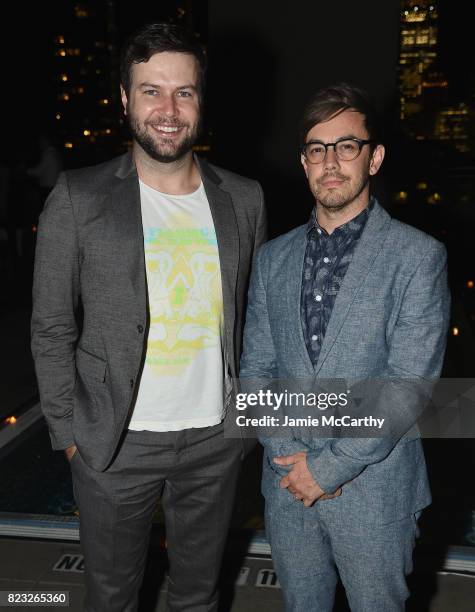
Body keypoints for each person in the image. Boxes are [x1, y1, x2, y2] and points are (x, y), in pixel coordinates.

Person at [31, 22, 267, 612]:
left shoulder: (244, 198)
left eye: (183, 92)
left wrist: (248, 424)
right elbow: (52, 328)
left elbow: (255, 321)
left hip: (216, 439)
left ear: (201, 101)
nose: (168, 109)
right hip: (114, 444)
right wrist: (69, 438)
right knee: (112, 597)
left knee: (197, 596)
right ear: (124, 99)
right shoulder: (76, 198)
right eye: (151, 91)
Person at [240, 83, 450, 611]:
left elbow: (407, 387)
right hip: (287, 486)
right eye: (317, 148)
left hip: (375, 491)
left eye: (346, 146)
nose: (330, 162)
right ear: (304, 162)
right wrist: (290, 461)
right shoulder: (272, 259)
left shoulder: (418, 256)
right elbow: (256, 369)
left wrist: (327, 469)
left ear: (374, 158)